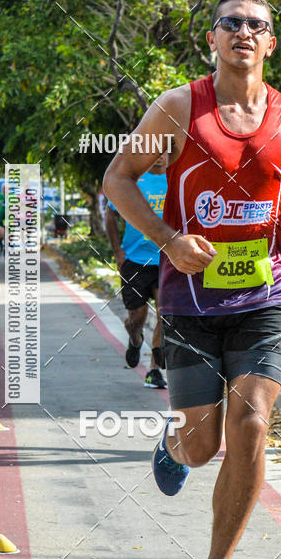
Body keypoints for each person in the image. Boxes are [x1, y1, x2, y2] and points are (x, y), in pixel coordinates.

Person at [103, 0, 281, 559]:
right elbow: (116, 180)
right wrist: (168, 240)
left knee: (254, 426)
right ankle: (173, 445)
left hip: (264, 298)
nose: (243, 32)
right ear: (211, 38)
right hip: (189, 302)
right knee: (202, 445)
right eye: (230, 23)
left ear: (271, 42)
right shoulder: (179, 108)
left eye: (256, 25)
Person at [104, 155, 168, 389]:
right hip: (134, 261)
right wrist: (117, 251)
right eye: (156, 151)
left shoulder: (175, 179)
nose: (160, 156)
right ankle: (135, 338)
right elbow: (110, 213)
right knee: (137, 317)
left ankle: (154, 370)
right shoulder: (134, 180)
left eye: (164, 151)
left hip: (165, 260)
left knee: (165, 313)